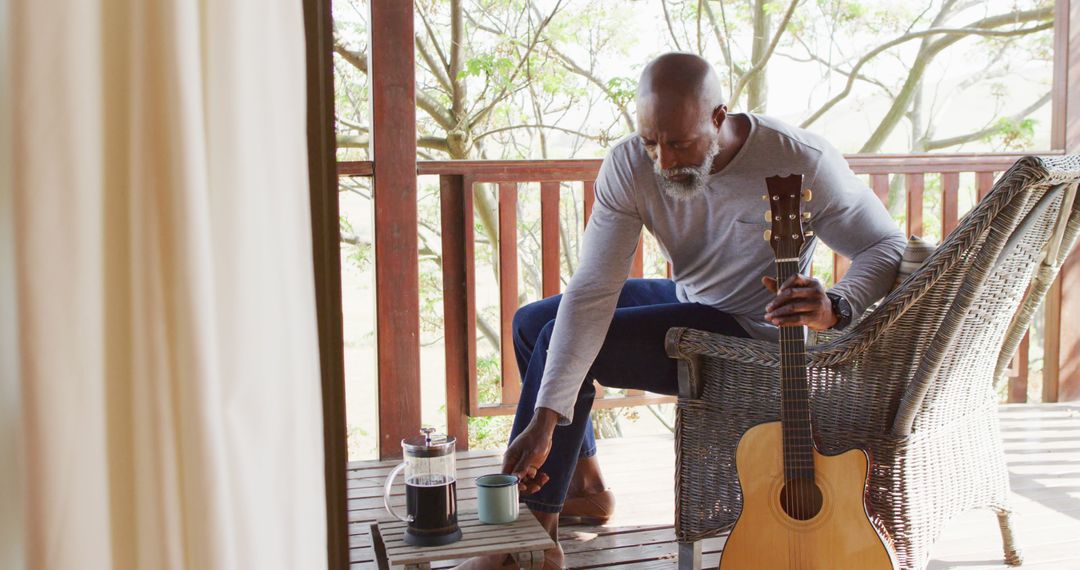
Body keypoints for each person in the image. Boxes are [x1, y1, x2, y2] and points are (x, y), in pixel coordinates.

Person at [458, 52, 905, 570]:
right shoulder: (630, 165)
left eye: (679, 143)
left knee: (567, 339)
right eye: (651, 141)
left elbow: (885, 246)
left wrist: (837, 306)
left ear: (718, 118)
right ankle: (584, 485)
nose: (665, 161)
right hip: (689, 300)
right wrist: (543, 417)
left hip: (748, 334)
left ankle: (530, 541)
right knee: (533, 324)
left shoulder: (798, 158)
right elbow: (592, 292)